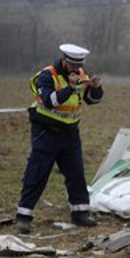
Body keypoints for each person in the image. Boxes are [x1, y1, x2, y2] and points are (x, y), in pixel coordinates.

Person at [16, 44, 104, 234]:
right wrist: (71, 88)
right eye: (72, 65)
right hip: (46, 132)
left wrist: (96, 88)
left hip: (70, 133)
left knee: (76, 174)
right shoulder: (47, 76)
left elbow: (92, 100)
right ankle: (24, 216)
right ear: (64, 61)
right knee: (37, 173)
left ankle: (80, 213)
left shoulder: (82, 73)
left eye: (78, 65)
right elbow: (50, 100)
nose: (76, 69)